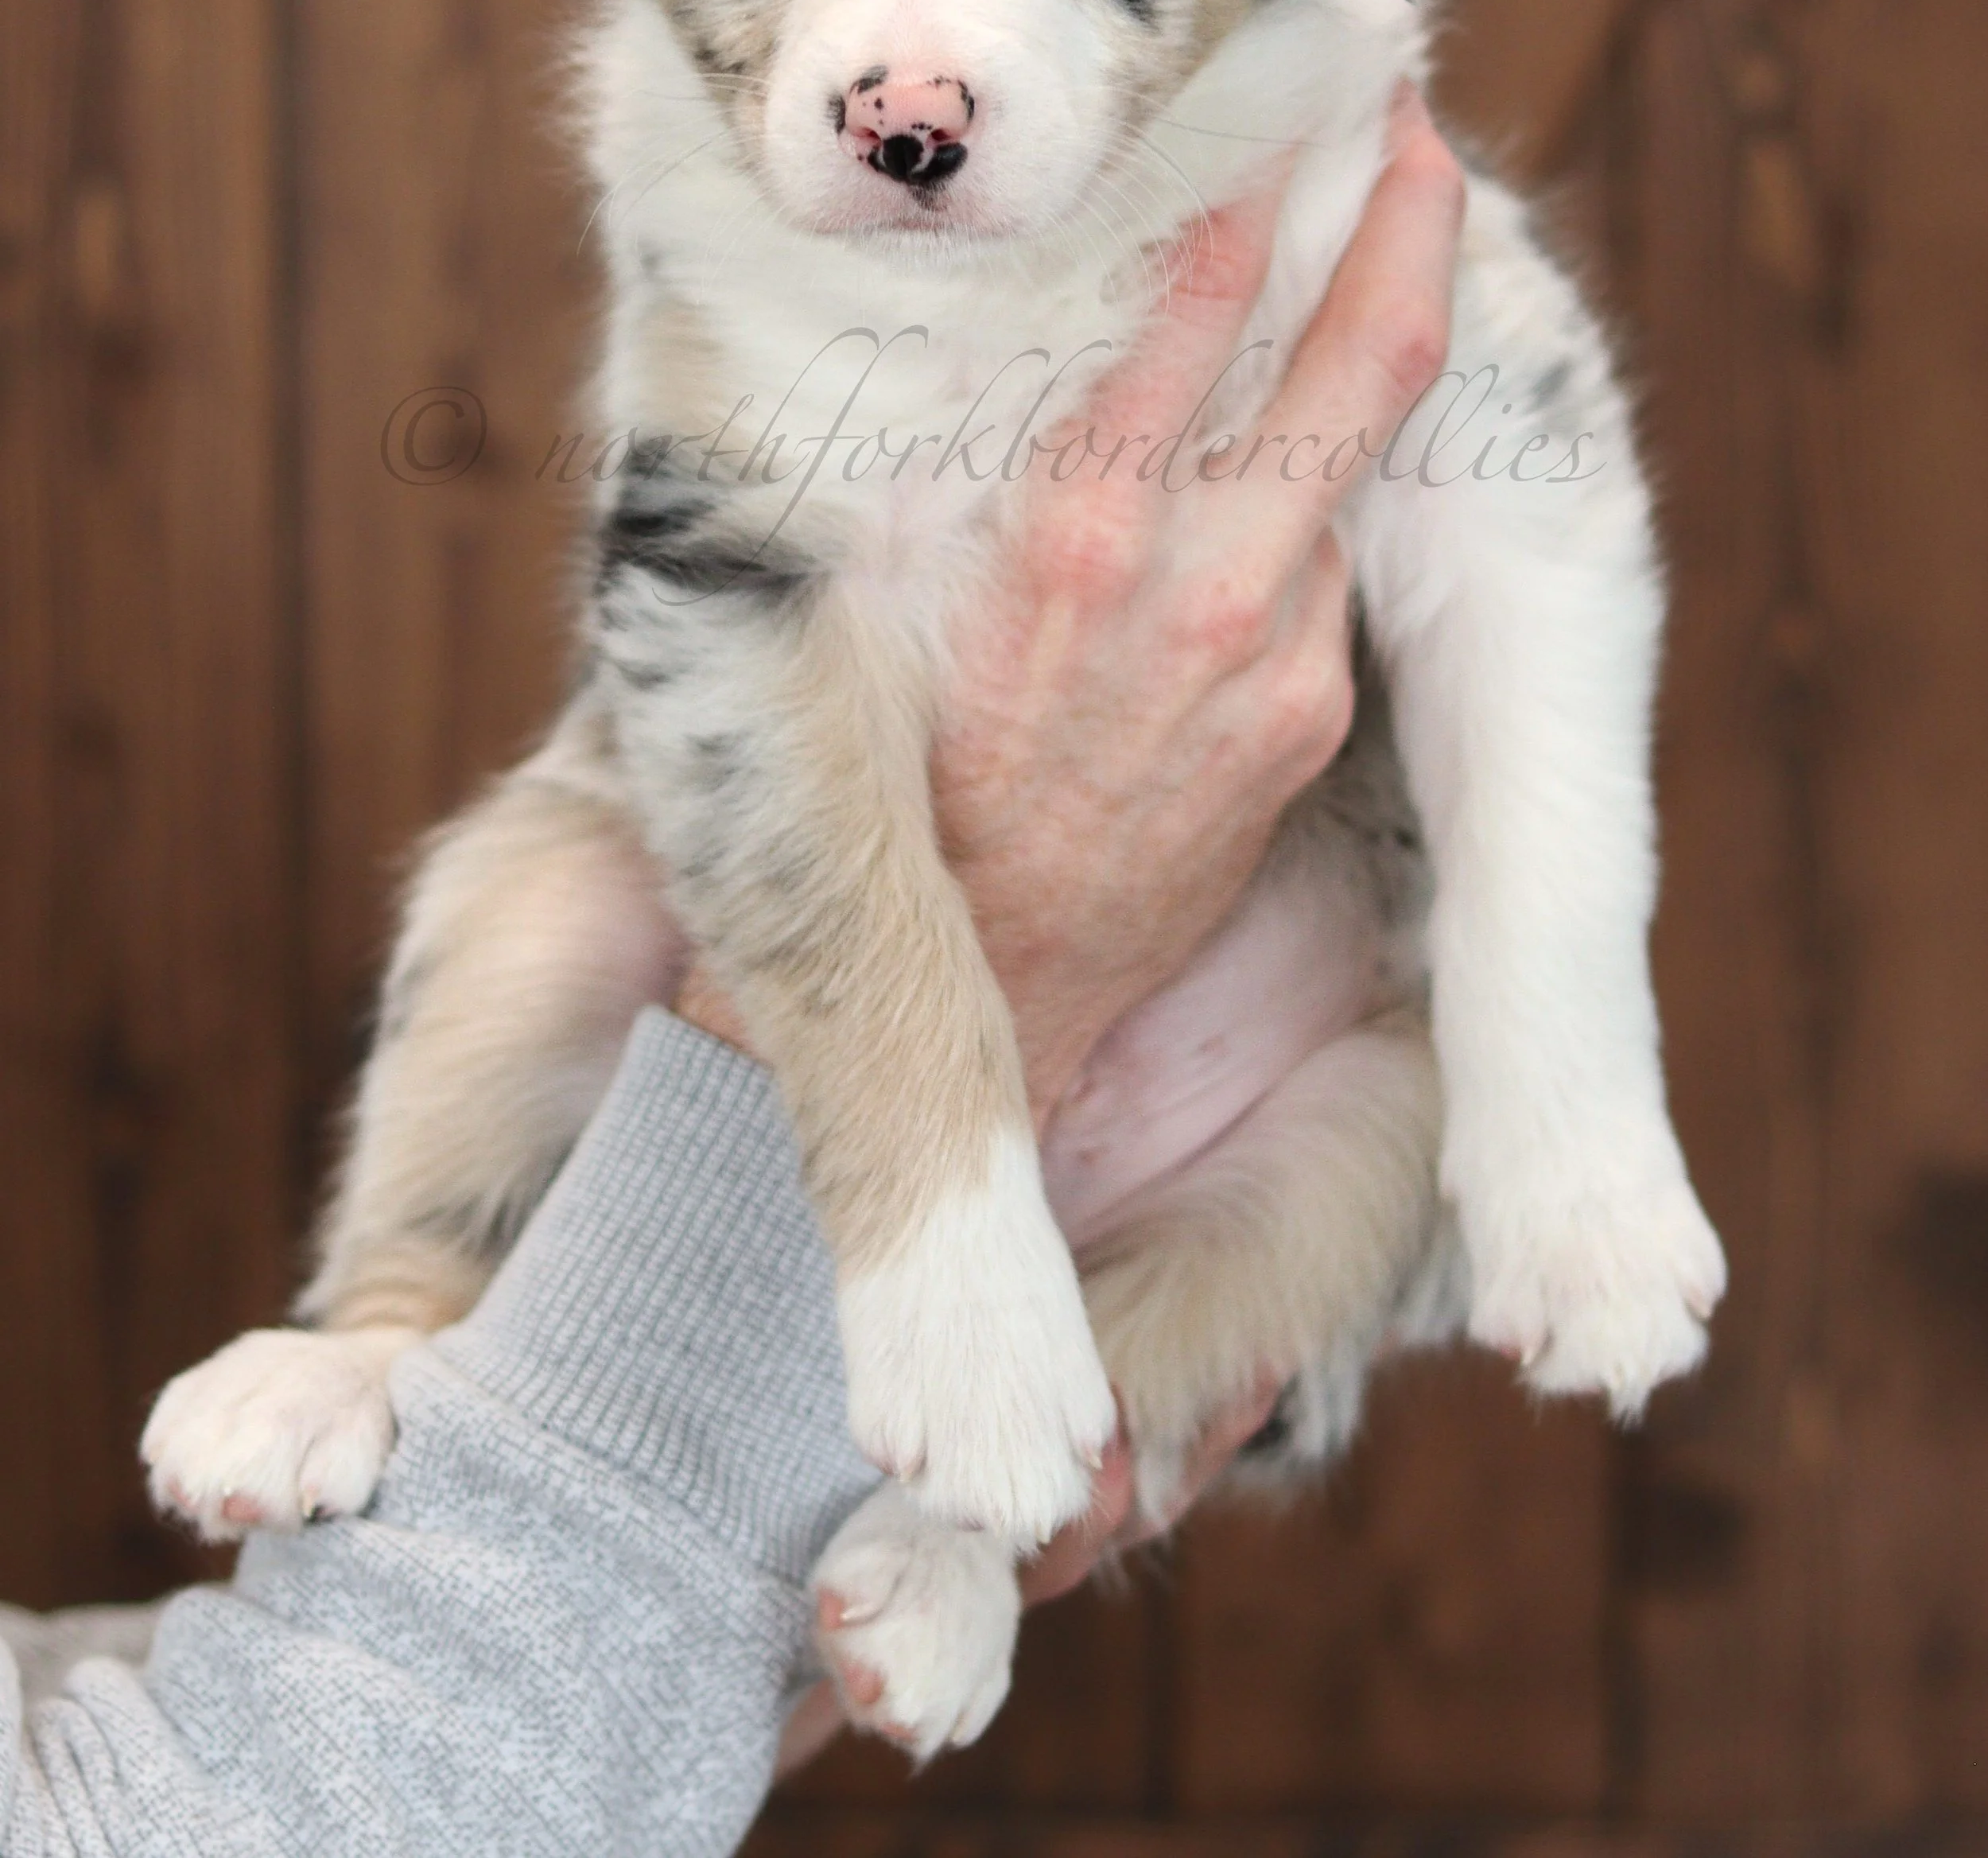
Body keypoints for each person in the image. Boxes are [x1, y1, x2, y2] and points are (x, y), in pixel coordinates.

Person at [0, 95, 1464, 1855]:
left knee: (1389, 1110)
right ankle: (399, 1315)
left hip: (1237, 1103)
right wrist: (994, 925)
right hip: (777, 1018)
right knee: (553, 876)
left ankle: (965, 1525)